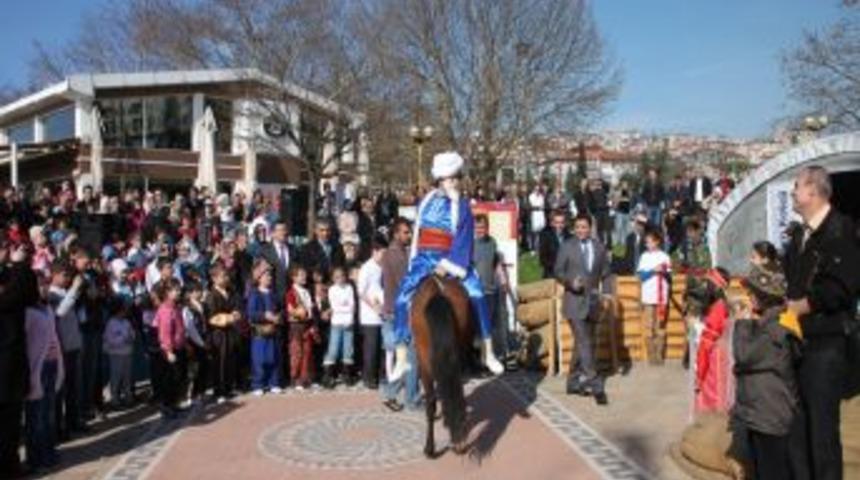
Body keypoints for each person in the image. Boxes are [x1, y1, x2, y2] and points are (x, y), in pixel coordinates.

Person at [390, 152, 505, 381]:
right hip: (425, 257)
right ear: (439, 180)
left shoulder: (462, 206)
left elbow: (463, 238)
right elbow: (419, 234)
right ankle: (401, 356)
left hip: (451, 257)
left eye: (455, 179)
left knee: (477, 293)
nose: (452, 183)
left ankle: (487, 350)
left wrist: (450, 265)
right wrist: (418, 258)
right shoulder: (426, 202)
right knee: (402, 297)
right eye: (447, 179)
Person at [783, 165, 860, 480]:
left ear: (814, 191)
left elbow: (843, 285)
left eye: (798, 186)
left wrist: (806, 305)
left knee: (823, 433)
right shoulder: (802, 233)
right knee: (797, 429)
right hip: (798, 341)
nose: (793, 192)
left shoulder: (840, 229)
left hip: (826, 347)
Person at [732, 265, 801, 480]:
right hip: (761, 414)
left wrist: (741, 322)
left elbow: (744, 355)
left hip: (770, 417)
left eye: (752, 292)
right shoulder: (768, 323)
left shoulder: (776, 330)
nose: (748, 296)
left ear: (764, 297)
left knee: (772, 472)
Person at [554, 214, 611, 405]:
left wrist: (608, 293)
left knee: (583, 344)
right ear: (574, 228)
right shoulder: (567, 246)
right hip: (573, 301)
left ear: (590, 228)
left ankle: (571, 383)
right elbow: (558, 271)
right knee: (585, 342)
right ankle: (596, 385)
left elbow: (606, 273)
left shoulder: (599, 247)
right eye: (578, 227)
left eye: (584, 227)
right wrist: (570, 283)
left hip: (593, 302)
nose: (581, 230)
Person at [0, 241, 38, 478]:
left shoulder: (12, 274)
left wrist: (18, 267)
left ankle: (11, 464)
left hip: (12, 361)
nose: (5, 249)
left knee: (12, 419)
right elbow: (9, 300)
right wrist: (17, 266)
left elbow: (30, 295)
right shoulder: (13, 274)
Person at [380, 218, 418, 411]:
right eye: (405, 232)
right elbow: (407, 284)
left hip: (395, 311)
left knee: (406, 358)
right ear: (395, 234)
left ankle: (391, 393)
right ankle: (410, 399)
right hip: (400, 314)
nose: (409, 235)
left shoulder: (395, 253)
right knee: (411, 358)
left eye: (409, 232)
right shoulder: (396, 255)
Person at [24, 289, 64, 473]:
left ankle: (48, 452)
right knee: (36, 417)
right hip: (37, 369)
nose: (44, 289)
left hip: (52, 364)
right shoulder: (27, 312)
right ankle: (36, 459)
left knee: (49, 414)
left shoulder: (47, 309)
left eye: (45, 284)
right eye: (39, 285)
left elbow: (53, 336)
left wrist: (59, 364)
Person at [693, 268, 733, 415]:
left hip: (712, 362)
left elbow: (706, 345)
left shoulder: (718, 308)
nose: (705, 287)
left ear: (716, 287)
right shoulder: (722, 304)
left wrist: (699, 375)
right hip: (720, 357)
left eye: (708, 284)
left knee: (712, 403)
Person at [206, 263, 241, 403]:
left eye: (226, 275)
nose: (226, 278)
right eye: (222, 276)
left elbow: (236, 307)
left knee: (230, 360)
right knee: (219, 361)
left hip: (230, 331)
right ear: (214, 278)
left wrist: (237, 313)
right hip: (218, 333)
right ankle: (219, 391)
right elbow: (211, 317)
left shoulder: (230, 291)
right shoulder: (212, 295)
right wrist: (228, 318)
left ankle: (227, 388)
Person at [636, 229, 672, 364]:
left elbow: (669, 274)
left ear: (657, 242)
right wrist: (653, 270)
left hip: (662, 296)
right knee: (649, 325)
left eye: (650, 242)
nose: (647, 245)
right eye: (646, 242)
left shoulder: (664, 256)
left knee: (660, 325)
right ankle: (652, 357)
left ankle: (659, 355)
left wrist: (663, 271)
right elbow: (641, 276)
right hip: (648, 296)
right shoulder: (644, 257)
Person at [246, 262, 282, 396]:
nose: (269, 278)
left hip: (273, 331)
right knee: (259, 359)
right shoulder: (254, 294)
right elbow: (250, 313)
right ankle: (258, 384)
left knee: (274, 357)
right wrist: (264, 315)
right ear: (259, 278)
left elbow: (280, 309)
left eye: (270, 276)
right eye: (266, 275)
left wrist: (278, 317)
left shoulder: (273, 294)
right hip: (259, 332)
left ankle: (274, 383)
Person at [153, 279, 186, 419]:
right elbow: (165, 333)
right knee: (169, 379)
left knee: (177, 378)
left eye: (179, 290)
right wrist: (169, 351)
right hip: (169, 350)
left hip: (179, 346)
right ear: (167, 292)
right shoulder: (166, 310)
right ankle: (166, 406)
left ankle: (173, 404)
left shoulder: (175, 307)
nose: (178, 292)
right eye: (175, 290)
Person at [357, 238, 386, 389]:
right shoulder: (366, 268)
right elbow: (361, 291)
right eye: (382, 253)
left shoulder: (382, 267)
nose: (384, 256)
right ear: (374, 251)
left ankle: (381, 375)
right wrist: (373, 306)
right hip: (370, 315)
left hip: (383, 313)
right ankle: (369, 378)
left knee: (382, 347)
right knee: (371, 348)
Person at [323, 266, 357, 388]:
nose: (340, 279)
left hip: (348, 322)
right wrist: (345, 307)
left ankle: (347, 375)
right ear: (333, 278)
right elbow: (334, 307)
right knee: (334, 348)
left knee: (348, 349)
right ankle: (328, 376)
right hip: (336, 323)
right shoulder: (332, 289)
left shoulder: (349, 288)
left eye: (342, 276)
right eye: (337, 277)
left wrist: (349, 315)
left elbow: (352, 305)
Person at [285, 266, 317, 390]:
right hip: (296, 326)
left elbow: (310, 310)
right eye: (301, 275)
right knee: (296, 353)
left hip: (307, 325)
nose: (304, 277)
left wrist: (312, 323)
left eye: (305, 275)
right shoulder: (291, 293)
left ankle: (305, 378)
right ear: (294, 277)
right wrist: (299, 313)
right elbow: (290, 310)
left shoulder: (307, 291)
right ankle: (295, 378)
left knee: (307, 352)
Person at [102, 301, 136, 408]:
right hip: (116, 354)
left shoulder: (127, 322)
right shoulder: (110, 323)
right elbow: (110, 340)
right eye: (122, 310)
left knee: (127, 377)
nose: (124, 312)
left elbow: (132, 334)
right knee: (116, 377)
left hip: (127, 353)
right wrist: (123, 339)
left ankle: (128, 398)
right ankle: (115, 400)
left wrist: (131, 337)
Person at [181, 281, 209, 405]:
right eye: (196, 291)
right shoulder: (186, 309)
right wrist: (201, 343)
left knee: (203, 368)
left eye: (200, 290)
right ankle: (191, 396)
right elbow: (190, 329)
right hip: (193, 342)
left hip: (203, 339)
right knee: (194, 370)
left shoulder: (201, 305)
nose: (199, 293)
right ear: (189, 294)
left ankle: (201, 393)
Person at [258, 221, 294, 299]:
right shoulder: (265, 251)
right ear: (273, 233)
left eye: (285, 229)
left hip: (290, 295)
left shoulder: (293, 249)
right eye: (280, 230)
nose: (284, 232)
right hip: (272, 294)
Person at [538, 210, 571, 279]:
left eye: (562, 223)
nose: (559, 225)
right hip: (551, 273)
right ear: (552, 223)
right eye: (557, 223)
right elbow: (543, 259)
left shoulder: (569, 237)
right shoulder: (545, 236)